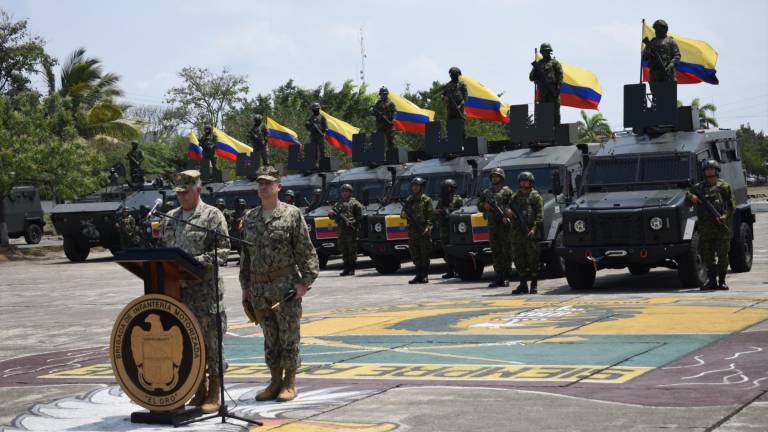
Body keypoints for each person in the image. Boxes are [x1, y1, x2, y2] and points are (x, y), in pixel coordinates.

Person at [240, 166, 319, 402]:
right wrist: (245, 288)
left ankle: (289, 382)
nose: (263, 186)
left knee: (289, 337)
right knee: (270, 337)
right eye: (260, 183)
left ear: (278, 187)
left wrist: (305, 283)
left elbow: (307, 252)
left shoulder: (291, 214)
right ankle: (274, 381)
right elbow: (246, 257)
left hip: (285, 288)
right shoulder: (250, 218)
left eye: (268, 183)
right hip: (259, 288)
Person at [160, 169, 229, 413]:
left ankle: (214, 391)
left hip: (205, 294)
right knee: (187, 344)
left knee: (211, 344)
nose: (181, 196)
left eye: (186, 192)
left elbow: (224, 250)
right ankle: (197, 388)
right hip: (179, 295)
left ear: (198, 190)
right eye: (178, 192)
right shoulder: (170, 217)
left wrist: (196, 263)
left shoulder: (212, 216)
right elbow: (163, 252)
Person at [686, 160, 735, 290]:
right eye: (707, 169)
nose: (709, 171)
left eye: (711, 169)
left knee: (723, 256)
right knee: (708, 257)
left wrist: (724, 217)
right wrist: (692, 197)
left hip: (721, 228)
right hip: (705, 228)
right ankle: (711, 281)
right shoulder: (699, 187)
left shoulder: (724, 186)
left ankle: (722, 281)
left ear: (716, 170)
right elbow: (687, 194)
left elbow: (731, 206)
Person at [477, 168, 514, 288]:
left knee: (506, 251)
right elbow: (479, 205)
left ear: (501, 178)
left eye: (497, 176)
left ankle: (506, 276)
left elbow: (513, 205)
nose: (494, 178)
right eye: (493, 177)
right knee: (496, 251)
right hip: (492, 226)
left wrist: (508, 214)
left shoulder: (507, 191)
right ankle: (498, 276)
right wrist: (484, 206)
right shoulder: (486, 192)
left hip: (504, 225)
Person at [509, 172, 544, 295]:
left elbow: (540, 215)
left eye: (526, 180)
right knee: (519, 259)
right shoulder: (515, 197)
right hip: (517, 233)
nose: (523, 183)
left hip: (530, 232)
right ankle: (523, 285)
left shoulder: (535, 196)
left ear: (530, 182)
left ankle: (533, 285)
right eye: (522, 181)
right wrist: (509, 213)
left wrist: (534, 228)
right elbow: (506, 208)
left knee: (533, 259)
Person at [401, 177, 434, 284]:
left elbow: (430, 216)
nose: (414, 188)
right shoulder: (409, 200)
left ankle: (424, 275)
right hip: (412, 231)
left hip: (423, 230)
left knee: (424, 253)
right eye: (413, 186)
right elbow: (402, 213)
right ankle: (418, 274)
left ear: (421, 187)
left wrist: (428, 227)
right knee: (415, 253)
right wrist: (404, 215)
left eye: (417, 186)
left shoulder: (426, 200)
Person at [328, 183, 364, 276]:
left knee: (351, 250)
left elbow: (361, 216)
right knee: (343, 249)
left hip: (351, 231)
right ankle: (346, 268)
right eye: (343, 191)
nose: (344, 193)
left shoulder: (355, 203)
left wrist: (353, 222)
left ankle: (352, 268)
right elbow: (332, 216)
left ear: (350, 192)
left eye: (346, 191)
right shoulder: (338, 204)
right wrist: (331, 214)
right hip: (341, 230)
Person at [529, 43, 564, 125]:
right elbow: (531, 78)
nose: (545, 53)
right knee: (543, 113)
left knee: (555, 113)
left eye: (547, 51)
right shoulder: (538, 64)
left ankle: (557, 130)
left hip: (553, 92)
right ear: (541, 52)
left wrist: (558, 88)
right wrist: (536, 71)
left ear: (550, 52)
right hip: (543, 93)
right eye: (544, 51)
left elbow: (560, 77)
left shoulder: (555, 63)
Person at [435, 179, 464, 279]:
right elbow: (436, 212)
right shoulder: (441, 200)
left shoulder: (458, 199)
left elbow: (462, 213)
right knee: (446, 251)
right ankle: (450, 270)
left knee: (456, 250)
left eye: (447, 187)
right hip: (444, 229)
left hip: (455, 230)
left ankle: (459, 269)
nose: (445, 190)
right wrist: (439, 212)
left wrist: (451, 212)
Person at [642, 19, 681, 84]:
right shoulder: (652, 42)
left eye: (659, 29)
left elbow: (677, 56)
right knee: (656, 93)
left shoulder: (670, 41)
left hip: (667, 73)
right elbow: (644, 57)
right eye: (656, 29)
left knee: (667, 93)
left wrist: (671, 65)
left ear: (665, 29)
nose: (657, 31)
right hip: (654, 74)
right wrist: (648, 52)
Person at [370, 86, 397, 152]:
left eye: (384, 94)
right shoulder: (378, 103)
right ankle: (378, 156)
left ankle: (391, 155)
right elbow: (374, 112)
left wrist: (393, 120)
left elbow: (395, 112)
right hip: (380, 124)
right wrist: (374, 110)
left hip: (389, 124)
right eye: (381, 94)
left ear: (386, 94)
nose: (383, 95)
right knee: (378, 140)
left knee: (390, 140)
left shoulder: (391, 103)